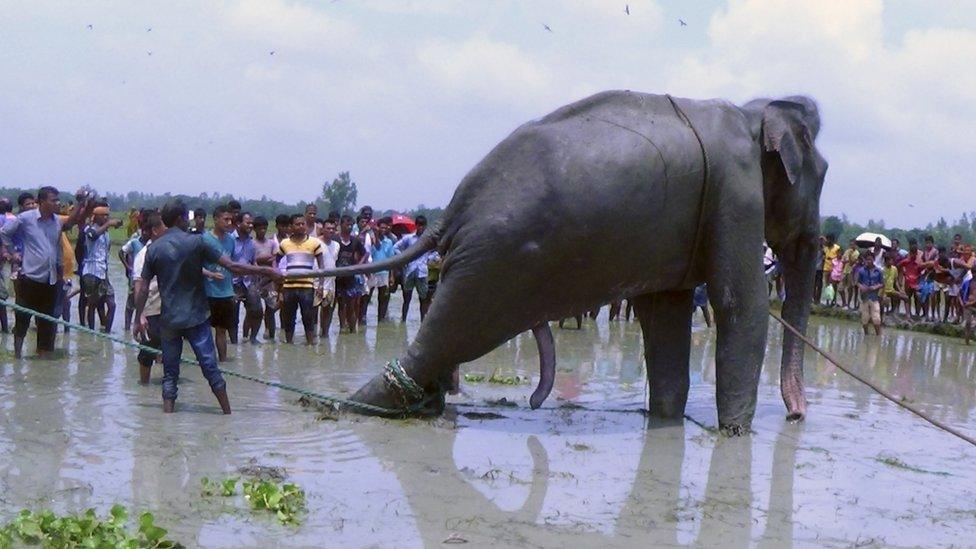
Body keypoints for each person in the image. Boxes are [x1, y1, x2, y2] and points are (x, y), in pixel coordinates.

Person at [133, 200, 281, 413]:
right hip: (196, 317)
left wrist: (139, 317)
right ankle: (227, 414)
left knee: (169, 375)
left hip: (169, 320)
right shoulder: (198, 242)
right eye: (186, 217)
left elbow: (143, 289)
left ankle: (167, 419)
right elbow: (233, 267)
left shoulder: (154, 249)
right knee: (211, 369)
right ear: (180, 219)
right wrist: (268, 272)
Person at [1, 187, 90, 358]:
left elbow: (72, 221)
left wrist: (81, 203)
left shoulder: (57, 221)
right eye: (54, 200)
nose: (58, 203)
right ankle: (18, 357)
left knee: (47, 325)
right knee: (22, 322)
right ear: (41, 202)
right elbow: (4, 233)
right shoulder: (25, 219)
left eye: (58, 200)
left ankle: (43, 362)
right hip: (29, 279)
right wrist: (13, 253)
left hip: (51, 281)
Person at [276, 214, 326, 344]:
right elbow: (276, 263)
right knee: (288, 318)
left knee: (308, 317)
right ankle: (289, 345)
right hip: (288, 287)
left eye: (303, 224)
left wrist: (320, 285)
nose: (301, 226)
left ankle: (310, 345)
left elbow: (321, 266)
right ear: (291, 227)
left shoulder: (314, 243)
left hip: (307, 287)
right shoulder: (284, 243)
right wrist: (279, 285)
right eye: (297, 224)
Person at [132, 212, 166, 384]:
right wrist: (140, 316)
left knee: (169, 349)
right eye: (164, 227)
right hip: (150, 309)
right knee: (147, 352)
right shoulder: (143, 255)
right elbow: (139, 287)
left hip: (167, 308)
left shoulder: (169, 250)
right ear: (155, 230)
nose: (167, 230)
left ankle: (166, 386)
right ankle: (144, 386)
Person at [202, 205, 237, 360]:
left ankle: (223, 363)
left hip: (227, 293)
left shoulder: (231, 240)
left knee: (222, 331)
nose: (229, 223)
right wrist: (210, 273)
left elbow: (233, 264)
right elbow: (194, 266)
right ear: (216, 220)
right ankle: (206, 361)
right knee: (204, 331)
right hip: (208, 292)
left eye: (231, 219)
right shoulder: (204, 239)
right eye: (226, 219)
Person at [232, 212, 263, 344]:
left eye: (252, 223)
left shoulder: (251, 242)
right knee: (232, 316)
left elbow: (253, 261)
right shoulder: (229, 239)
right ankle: (233, 342)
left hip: (248, 281)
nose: (251, 225)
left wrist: (258, 276)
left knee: (257, 311)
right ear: (238, 224)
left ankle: (252, 338)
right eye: (248, 222)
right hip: (232, 282)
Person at [396, 215, 432, 322]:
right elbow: (396, 247)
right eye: (419, 225)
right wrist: (404, 258)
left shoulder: (428, 239)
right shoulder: (408, 238)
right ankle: (403, 320)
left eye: (422, 225)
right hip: (410, 271)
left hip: (422, 272)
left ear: (425, 226)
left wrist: (428, 259)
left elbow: (435, 252)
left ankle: (422, 320)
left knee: (423, 299)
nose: (420, 227)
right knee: (407, 298)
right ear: (416, 225)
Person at [335, 215, 367, 333]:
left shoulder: (355, 240)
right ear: (341, 225)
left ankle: (353, 330)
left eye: (351, 225)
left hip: (350, 277)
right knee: (340, 304)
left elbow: (365, 253)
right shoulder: (335, 239)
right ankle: (342, 327)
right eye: (346, 224)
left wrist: (359, 265)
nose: (349, 227)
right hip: (337, 277)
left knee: (351, 304)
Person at [120, 216, 151, 331]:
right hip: (135, 277)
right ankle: (127, 328)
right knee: (130, 304)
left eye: (147, 231)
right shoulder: (134, 242)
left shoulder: (151, 244)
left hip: (147, 278)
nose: (144, 233)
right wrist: (127, 267)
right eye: (143, 230)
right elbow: (121, 252)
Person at [252, 216, 280, 340]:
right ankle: (249, 335)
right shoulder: (252, 244)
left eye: (264, 228)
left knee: (271, 308)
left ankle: (270, 333)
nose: (262, 231)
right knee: (254, 309)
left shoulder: (271, 243)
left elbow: (274, 260)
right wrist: (263, 260)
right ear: (255, 229)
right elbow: (253, 261)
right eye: (260, 229)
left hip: (269, 280)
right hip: (256, 280)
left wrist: (272, 273)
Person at [367, 217, 396, 322]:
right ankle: (363, 318)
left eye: (385, 228)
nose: (383, 229)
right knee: (367, 296)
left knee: (383, 298)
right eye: (381, 228)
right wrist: (375, 237)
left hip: (384, 273)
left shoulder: (389, 242)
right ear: (377, 228)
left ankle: (381, 318)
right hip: (372, 272)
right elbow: (373, 250)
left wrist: (391, 275)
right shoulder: (370, 240)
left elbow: (391, 259)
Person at [317, 219, 339, 336]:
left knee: (328, 310)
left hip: (331, 283)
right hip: (316, 282)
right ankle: (313, 335)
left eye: (333, 229)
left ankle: (324, 333)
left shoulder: (336, 245)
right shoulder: (315, 243)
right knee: (313, 310)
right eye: (328, 228)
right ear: (322, 229)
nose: (330, 231)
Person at [857, 252, 884, 336]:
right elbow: (857, 282)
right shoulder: (861, 270)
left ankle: (878, 335)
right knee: (864, 319)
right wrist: (861, 287)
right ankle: (866, 335)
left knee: (876, 318)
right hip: (864, 297)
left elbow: (882, 283)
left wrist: (875, 287)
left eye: (870, 259)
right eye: (867, 259)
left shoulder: (878, 271)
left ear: (874, 260)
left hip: (874, 297)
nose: (868, 261)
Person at [897, 239, 923, 318]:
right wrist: (903, 273)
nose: (913, 255)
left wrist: (919, 280)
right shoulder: (905, 261)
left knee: (917, 297)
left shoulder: (918, 262)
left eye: (914, 254)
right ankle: (908, 314)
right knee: (907, 297)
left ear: (916, 253)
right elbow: (898, 266)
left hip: (916, 282)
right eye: (912, 254)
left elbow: (921, 271)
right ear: (910, 253)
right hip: (908, 281)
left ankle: (917, 314)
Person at [0, 198, 13, 332]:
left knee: (2, 298)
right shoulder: (8, 219)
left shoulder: (5, 219)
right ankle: (5, 329)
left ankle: (5, 330)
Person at [839, 239, 860, 308]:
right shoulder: (847, 251)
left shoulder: (856, 253)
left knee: (850, 288)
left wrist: (850, 257)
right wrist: (845, 260)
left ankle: (848, 303)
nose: (851, 246)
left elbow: (851, 263)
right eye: (850, 244)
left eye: (853, 244)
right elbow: (842, 260)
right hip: (845, 271)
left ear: (855, 245)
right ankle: (844, 302)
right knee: (840, 288)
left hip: (851, 272)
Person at [821, 234, 840, 304]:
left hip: (834, 269)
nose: (827, 241)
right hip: (826, 268)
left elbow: (839, 257)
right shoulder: (825, 249)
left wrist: (832, 259)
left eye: (828, 240)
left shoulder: (837, 248)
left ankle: (834, 300)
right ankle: (828, 300)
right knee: (827, 285)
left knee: (833, 285)